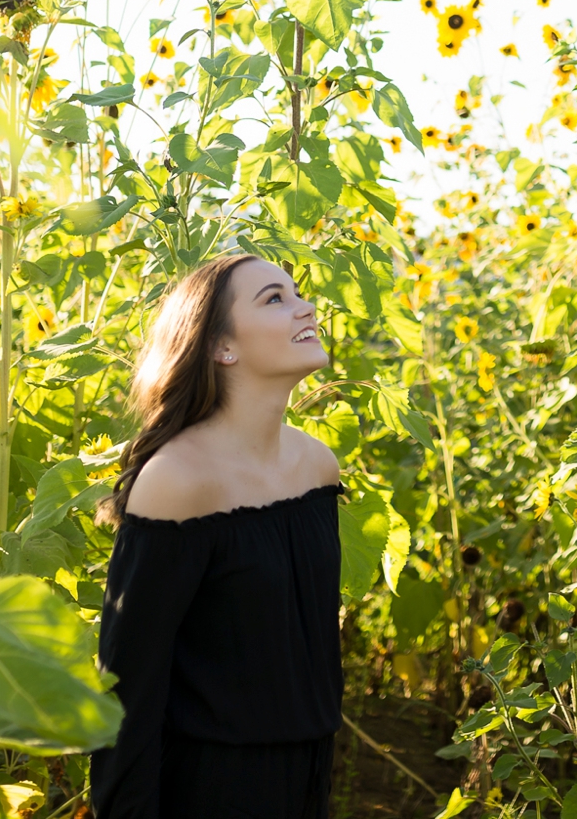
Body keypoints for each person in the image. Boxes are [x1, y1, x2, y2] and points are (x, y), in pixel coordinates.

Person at [88, 254, 344, 819]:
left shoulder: (317, 466)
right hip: (210, 786)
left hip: (309, 771)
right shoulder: (179, 481)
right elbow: (128, 689)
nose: (306, 308)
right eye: (275, 298)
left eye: (298, 293)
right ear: (220, 347)